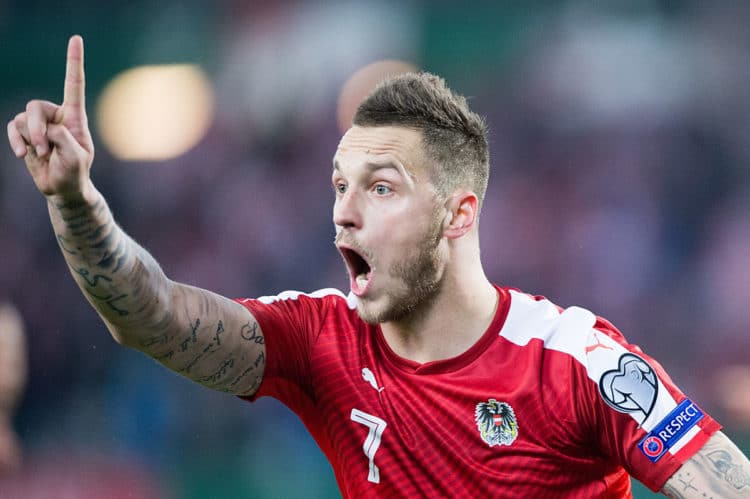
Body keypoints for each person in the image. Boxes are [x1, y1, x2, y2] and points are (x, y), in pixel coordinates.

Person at [6, 35, 750, 498]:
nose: (345, 213)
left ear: (458, 214)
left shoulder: (578, 361)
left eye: (381, 187)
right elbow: (154, 315)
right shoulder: (321, 339)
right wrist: (75, 201)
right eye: (340, 187)